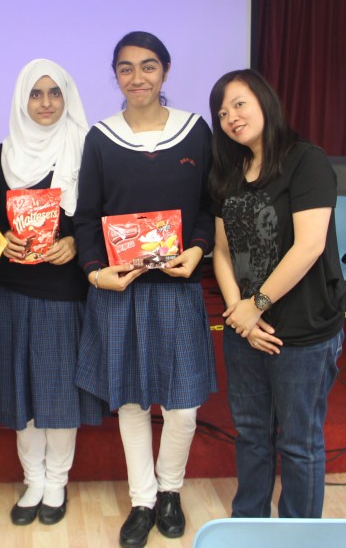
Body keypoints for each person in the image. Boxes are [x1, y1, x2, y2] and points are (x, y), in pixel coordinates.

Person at [73, 31, 217, 548]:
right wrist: (96, 271)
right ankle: (143, 499)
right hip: (121, 292)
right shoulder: (100, 137)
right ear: (115, 75)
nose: (138, 78)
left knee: (182, 405)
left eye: (148, 66)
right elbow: (86, 218)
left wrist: (198, 249)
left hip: (177, 288)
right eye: (126, 68)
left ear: (166, 71)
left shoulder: (195, 132)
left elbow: (210, 206)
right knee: (131, 402)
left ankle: (171, 490)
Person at [208, 68, 344, 519]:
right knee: (251, 435)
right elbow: (222, 251)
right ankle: (249, 525)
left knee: (299, 443)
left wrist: (256, 306)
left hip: (301, 331)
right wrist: (239, 313)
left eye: (239, 104)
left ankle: (298, 535)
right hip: (244, 329)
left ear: (265, 101)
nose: (231, 117)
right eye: (222, 113)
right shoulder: (228, 172)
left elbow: (309, 246)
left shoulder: (306, 161)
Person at [0, 58, 105, 527]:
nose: (46, 103)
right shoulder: (1, 155)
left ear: (67, 98)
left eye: (55, 93)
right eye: (36, 93)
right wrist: (1, 237)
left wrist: (75, 242)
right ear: (22, 100)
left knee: (58, 394)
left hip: (63, 290)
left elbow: (99, 214)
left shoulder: (85, 149)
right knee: (21, 393)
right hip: (12, 290)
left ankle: (57, 481)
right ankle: (32, 479)